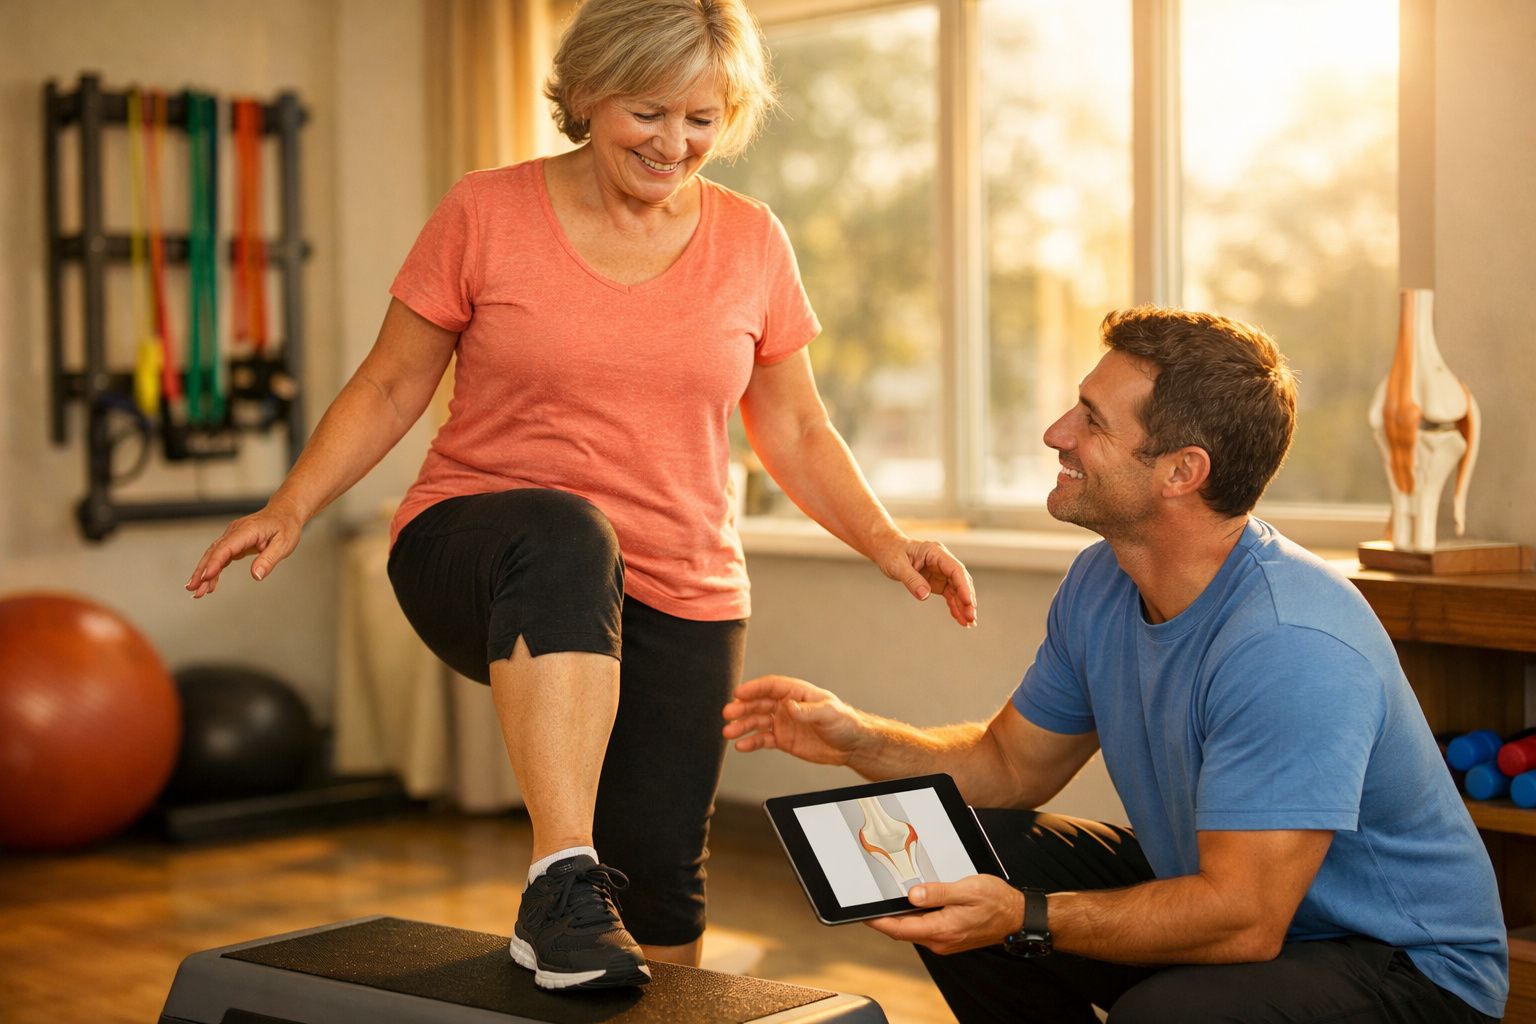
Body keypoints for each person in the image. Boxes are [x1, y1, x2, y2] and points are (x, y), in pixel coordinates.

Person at [185, 0, 976, 994]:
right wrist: (291, 504)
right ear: (590, 93)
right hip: (480, 548)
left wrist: (888, 539)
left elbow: (798, 428)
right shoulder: (486, 211)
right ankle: (559, 876)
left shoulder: (752, 240)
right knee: (567, 533)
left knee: (660, 886)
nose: (675, 144)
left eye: (702, 118)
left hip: (680, 580)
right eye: (649, 112)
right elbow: (390, 384)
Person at [723, 307, 1507, 1023]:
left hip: (1407, 968)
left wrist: (1027, 917)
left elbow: (1244, 919)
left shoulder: (1288, 642)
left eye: (1091, 421)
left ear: (1181, 472)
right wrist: (859, 740)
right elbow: (1009, 766)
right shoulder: (1103, 582)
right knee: (957, 861)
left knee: (1166, 1013)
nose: (1056, 432)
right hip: (1243, 905)